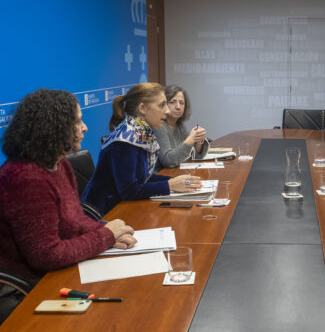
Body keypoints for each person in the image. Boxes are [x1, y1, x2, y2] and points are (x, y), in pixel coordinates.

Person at [0, 89, 137, 288]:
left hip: (58, 271)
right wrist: (105, 236)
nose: (85, 128)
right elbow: (47, 255)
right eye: (78, 122)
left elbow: (76, 220)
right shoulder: (25, 178)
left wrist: (108, 234)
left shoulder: (60, 163)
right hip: (28, 286)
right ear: (54, 128)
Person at [82, 83, 202, 216]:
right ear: (143, 108)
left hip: (121, 207)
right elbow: (130, 191)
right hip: (103, 214)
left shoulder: (140, 132)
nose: (167, 111)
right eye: (162, 105)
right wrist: (170, 185)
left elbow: (142, 179)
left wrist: (176, 181)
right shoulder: (125, 141)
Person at [154, 85, 209, 170]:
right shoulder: (159, 126)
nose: (178, 107)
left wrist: (198, 141)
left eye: (181, 103)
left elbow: (193, 155)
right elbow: (169, 161)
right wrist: (191, 139)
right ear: (163, 105)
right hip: (161, 176)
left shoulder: (180, 125)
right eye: (172, 102)